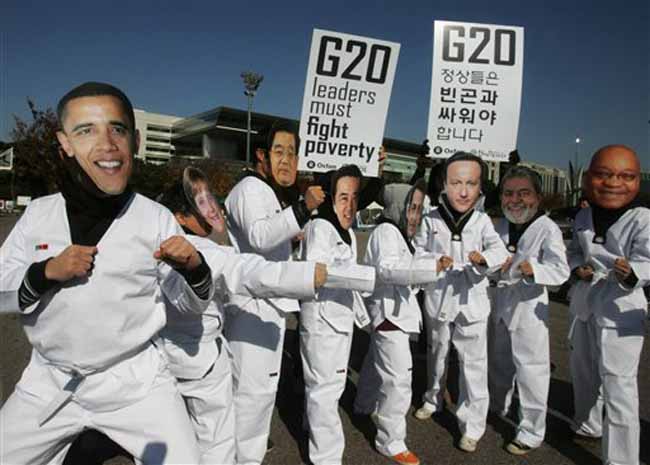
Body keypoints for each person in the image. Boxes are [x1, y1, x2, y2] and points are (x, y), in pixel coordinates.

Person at [0, 82, 213, 464]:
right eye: (86, 131)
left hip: (136, 384)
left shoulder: (155, 218)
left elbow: (189, 304)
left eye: (117, 129)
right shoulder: (38, 215)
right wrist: (45, 272)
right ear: (64, 142)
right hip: (50, 382)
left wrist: (195, 270)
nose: (107, 143)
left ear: (135, 140)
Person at [157, 172, 328, 464]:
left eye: (211, 197)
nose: (213, 207)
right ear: (181, 217)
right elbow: (246, 270)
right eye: (200, 201)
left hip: (181, 359)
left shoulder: (186, 244)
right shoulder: (196, 250)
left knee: (184, 439)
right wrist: (303, 275)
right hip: (199, 362)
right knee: (215, 445)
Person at [223, 120, 326, 464]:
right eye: (279, 151)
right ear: (261, 156)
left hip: (265, 306)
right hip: (253, 308)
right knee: (252, 396)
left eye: (292, 153)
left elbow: (270, 236)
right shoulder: (251, 187)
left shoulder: (267, 192)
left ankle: (242, 454)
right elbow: (260, 236)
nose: (286, 160)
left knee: (258, 394)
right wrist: (302, 207)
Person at [412, 151, 508, 453]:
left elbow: (499, 250)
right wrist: (434, 261)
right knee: (436, 351)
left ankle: (472, 424)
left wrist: (484, 261)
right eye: (456, 183)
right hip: (440, 295)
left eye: (471, 183)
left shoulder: (482, 221)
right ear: (444, 184)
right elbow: (417, 250)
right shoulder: (430, 219)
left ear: (480, 187)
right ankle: (433, 398)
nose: (463, 191)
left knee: (473, 364)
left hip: (472, 299)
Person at [567, 145, 649, 465]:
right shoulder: (584, 215)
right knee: (583, 370)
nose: (614, 182)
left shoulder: (643, 219)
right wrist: (577, 268)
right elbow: (574, 251)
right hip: (586, 301)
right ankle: (588, 424)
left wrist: (635, 272)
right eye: (604, 174)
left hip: (621, 307)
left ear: (637, 181)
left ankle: (621, 459)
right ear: (588, 178)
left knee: (618, 386)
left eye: (625, 176)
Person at [487, 166, 570, 455]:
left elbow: (560, 271)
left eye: (524, 193)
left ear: (537, 196)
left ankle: (531, 431)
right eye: (509, 193)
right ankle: (498, 405)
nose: (515, 200)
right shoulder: (498, 225)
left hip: (529, 304)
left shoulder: (547, 228)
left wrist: (532, 269)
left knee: (531, 369)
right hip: (499, 301)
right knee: (498, 360)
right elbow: (490, 260)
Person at [353, 180, 437, 465]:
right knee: (398, 379)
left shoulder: (398, 233)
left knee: (375, 363)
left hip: (394, 311)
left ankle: (363, 404)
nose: (415, 215)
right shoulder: (387, 232)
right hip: (390, 313)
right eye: (411, 208)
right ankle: (391, 441)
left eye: (418, 209)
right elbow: (389, 270)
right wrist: (429, 269)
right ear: (398, 207)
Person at [299, 164, 376, 465]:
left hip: (338, 320)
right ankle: (326, 458)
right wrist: (366, 277)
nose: (350, 205)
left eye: (355, 197)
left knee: (325, 389)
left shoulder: (346, 231)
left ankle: (311, 427)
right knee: (325, 392)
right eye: (343, 197)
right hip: (322, 322)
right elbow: (319, 271)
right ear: (330, 197)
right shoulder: (321, 227)